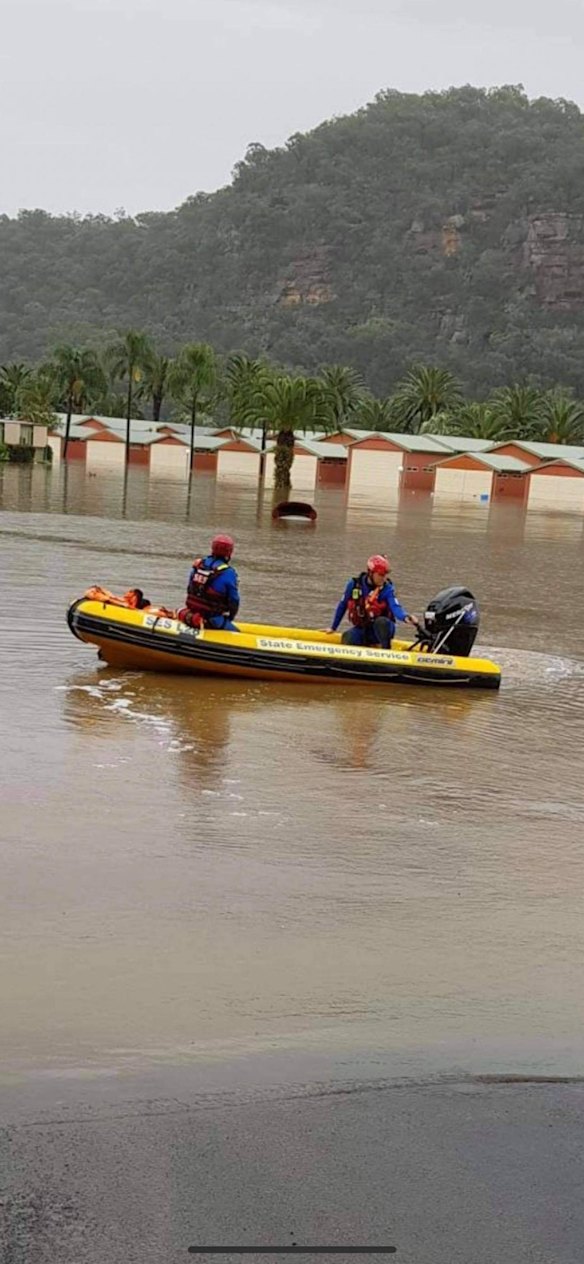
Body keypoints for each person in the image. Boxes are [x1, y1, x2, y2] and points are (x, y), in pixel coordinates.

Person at [326, 554, 418, 648]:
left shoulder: (387, 589)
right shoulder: (354, 585)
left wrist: (405, 617)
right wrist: (333, 627)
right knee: (347, 637)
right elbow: (343, 605)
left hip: (383, 629)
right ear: (370, 573)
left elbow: (395, 607)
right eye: (381, 575)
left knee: (381, 622)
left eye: (385, 575)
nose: (384, 578)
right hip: (365, 629)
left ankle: (386, 650)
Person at [179, 533, 240, 631]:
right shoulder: (228, 573)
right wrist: (230, 618)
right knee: (237, 633)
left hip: (191, 613)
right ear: (229, 552)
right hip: (212, 618)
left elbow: (190, 588)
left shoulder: (199, 565)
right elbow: (234, 600)